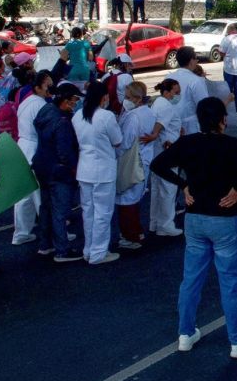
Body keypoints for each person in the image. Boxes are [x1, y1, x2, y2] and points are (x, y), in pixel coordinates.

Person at [151, 97, 237, 359]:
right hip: (227, 218)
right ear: (223, 119)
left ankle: (185, 334)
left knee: (191, 279)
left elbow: (158, 165)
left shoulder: (188, 143)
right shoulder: (233, 144)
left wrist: (183, 185)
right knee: (231, 280)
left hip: (195, 216)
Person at [73, 82, 123, 265]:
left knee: (88, 212)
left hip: (84, 170)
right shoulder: (106, 116)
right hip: (103, 170)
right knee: (103, 212)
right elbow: (118, 141)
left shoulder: (78, 115)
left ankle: (89, 249)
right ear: (103, 97)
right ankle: (99, 252)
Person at [33, 82, 84, 262]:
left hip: (42, 165)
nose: (76, 103)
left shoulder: (46, 111)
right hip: (58, 170)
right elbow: (65, 151)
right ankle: (62, 250)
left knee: (46, 206)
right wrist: (73, 169)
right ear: (66, 101)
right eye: (75, 99)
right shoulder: (63, 122)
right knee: (60, 210)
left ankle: (45, 244)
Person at [114, 81, 162, 244]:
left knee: (126, 199)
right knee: (135, 197)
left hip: (132, 160)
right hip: (145, 159)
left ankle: (130, 235)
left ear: (137, 98)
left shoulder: (133, 117)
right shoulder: (148, 112)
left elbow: (125, 142)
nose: (124, 100)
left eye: (128, 97)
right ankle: (136, 232)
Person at [12, 71, 53, 246]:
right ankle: (51, 234)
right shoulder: (40, 105)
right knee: (41, 195)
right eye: (48, 85)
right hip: (35, 148)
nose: (50, 88)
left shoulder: (26, 102)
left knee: (24, 195)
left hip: (23, 147)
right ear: (39, 87)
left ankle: (21, 232)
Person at [148, 79, 185, 237]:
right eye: (176, 92)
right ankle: (166, 224)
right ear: (167, 91)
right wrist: (156, 135)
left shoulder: (158, 103)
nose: (178, 95)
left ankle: (155, 222)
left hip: (158, 152)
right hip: (168, 150)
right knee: (169, 189)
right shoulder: (166, 106)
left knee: (157, 188)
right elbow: (160, 124)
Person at [220, 24, 237, 113]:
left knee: (228, 89)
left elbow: (221, 52)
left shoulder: (226, 39)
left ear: (229, 31)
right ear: (235, 30)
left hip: (229, 68)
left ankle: (230, 108)